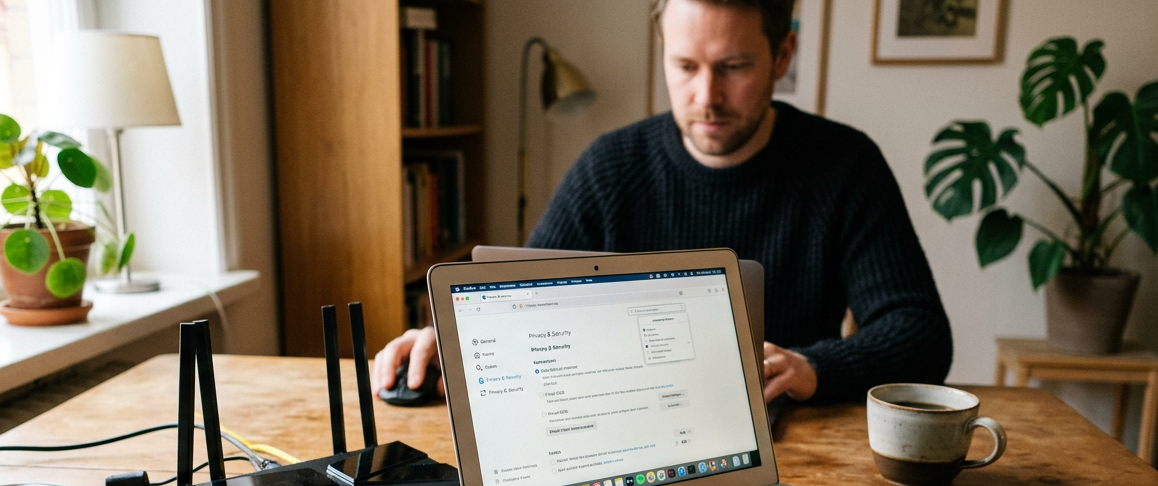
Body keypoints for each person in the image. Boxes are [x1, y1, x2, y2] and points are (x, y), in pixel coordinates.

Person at [375, 0, 951, 404]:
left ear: (782, 56)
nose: (707, 96)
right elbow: (522, 303)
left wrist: (817, 367)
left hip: (791, 449)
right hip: (625, 437)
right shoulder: (610, 166)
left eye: (734, 67)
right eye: (685, 66)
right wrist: (450, 341)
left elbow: (920, 332)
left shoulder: (845, 165)